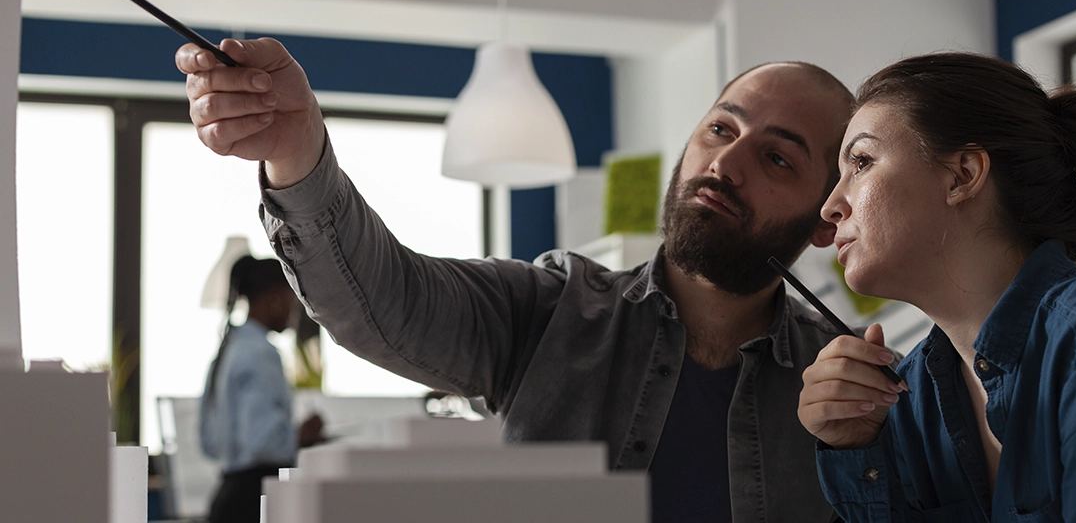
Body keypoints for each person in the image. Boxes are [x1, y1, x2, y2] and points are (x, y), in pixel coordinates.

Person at [177, 37, 853, 522]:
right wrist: (297, 152)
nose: (725, 164)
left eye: (775, 158)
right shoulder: (551, 310)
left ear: (828, 218)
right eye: (719, 128)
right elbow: (386, 300)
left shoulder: (854, 393)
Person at [797, 52, 1076, 521]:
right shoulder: (907, 401)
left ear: (962, 174)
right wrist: (856, 447)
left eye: (862, 162)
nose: (830, 207)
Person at [200, 255, 325, 523]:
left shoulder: (229, 348)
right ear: (274, 298)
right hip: (252, 499)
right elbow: (260, 440)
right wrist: (300, 436)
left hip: (228, 495)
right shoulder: (261, 353)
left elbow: (208, 440)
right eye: (293, 298)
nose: (295, 310)